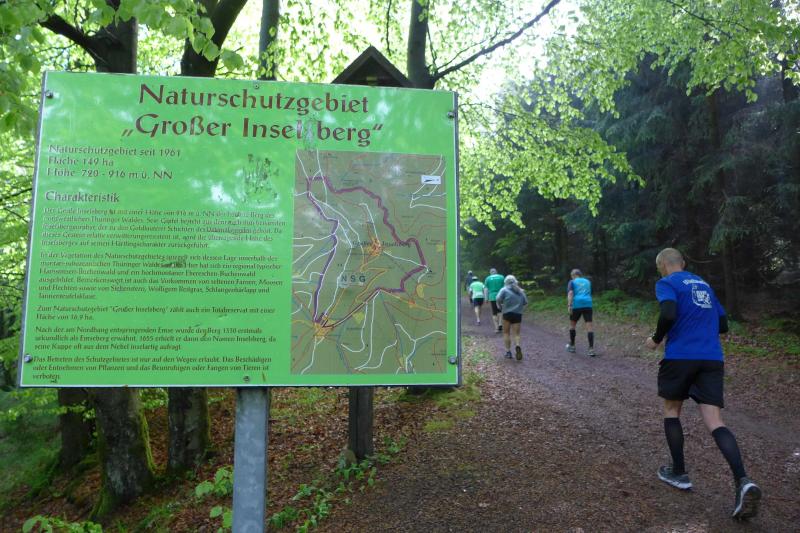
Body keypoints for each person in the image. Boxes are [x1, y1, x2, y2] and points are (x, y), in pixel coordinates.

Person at [645, 248, 760, 520]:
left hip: (681, 356)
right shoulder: (704, 285)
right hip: (711, 358)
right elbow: (723, 324)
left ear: (662, 266)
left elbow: (668, 313)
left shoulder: (667, 283)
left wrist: (656, 338)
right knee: (715, 421)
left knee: (672, 410)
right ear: (683, 263)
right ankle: (743, 480)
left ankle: (679, 472)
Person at [496, 275, 528, 360]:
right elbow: (525, 302)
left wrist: (500, 306)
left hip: (507, 313)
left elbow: (498, 298)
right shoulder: (520, 291)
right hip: (518, 314)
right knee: (516, 334)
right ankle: (517, 345)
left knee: (506, 333)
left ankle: (508, 352)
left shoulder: (504, 290)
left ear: (505, 282)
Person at [566, 269, 595, 356]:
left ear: (574, 275)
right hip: (588, 304)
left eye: (571, 276)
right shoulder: (588, 281)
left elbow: (571, 293)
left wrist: (569, 305)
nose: (571, 277)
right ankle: (591, 349)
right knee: (589, 327)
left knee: (572, 325)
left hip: (576, 305)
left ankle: (572, 346)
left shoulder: (572, 282)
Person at [484, 268, 505, 333]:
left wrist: (486, 298)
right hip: (500, 295)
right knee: (500, 310)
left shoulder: (488, 278)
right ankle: (500, 324)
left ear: (490, 273)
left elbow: (486, 289)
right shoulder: (501, 277)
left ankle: (496, 328)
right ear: (496, 272)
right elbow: (505, 287)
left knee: (494, 312)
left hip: (492, 297)